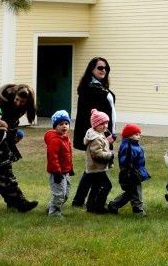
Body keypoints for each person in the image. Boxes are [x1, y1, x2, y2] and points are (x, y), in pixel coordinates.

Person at [72, 57, 116, 208]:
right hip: (98, 134)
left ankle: (80, 201)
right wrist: (106, 133)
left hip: (104, 133)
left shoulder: (100, 86)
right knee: (96, 168)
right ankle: (90, 203)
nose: (103, 70)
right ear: (91, 69)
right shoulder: (89, 88)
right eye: (100, 67)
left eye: (105, 68)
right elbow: (91, 116)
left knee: (92, 168)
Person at [107, 123, 150, 215]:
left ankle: (113, 205)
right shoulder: (128, 147)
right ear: (128, 135)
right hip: (131, 173)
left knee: (130, 192)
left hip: (136, 172)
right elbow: (126, 162)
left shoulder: (134, 145)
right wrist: (128, 173)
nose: (138, 136)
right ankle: (138, 211)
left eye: (139, 134)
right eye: (136, 134)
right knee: (136, 193)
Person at [82, 109, 116, 214]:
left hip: (95, 168)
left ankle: (91, 206)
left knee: (96, 187)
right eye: (102, 124)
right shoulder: (96, 138)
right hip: (97, 168)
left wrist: (108, 141)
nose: (105, 126)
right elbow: (97, 154)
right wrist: (110, 155)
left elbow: (101, 145)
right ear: (95, 125)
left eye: (106, 123)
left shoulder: (96, 134)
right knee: (107, 185)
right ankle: (99, 206)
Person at [44, 110, 74, 217]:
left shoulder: (66, 137)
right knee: (59, 194)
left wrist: (70, 167)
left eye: (66, 123)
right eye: (61, 124)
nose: (64, 126)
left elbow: (68, 154)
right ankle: (54, 214)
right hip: (57, 172)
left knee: (66, 194)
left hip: (65, 171)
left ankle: (51, 206)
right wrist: (56, 172)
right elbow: (53, 157)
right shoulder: (54, 140)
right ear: (55, 126)